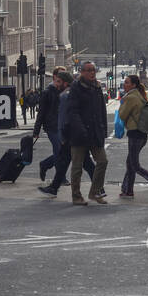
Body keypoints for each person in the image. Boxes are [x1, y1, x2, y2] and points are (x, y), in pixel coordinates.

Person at [62, 61, 109, 205]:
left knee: (102, 161)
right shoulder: (76, 88)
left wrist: (104, 129)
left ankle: (94, 192)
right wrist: (81, 129)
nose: (92, 73)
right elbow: (72, 112)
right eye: (88, 70)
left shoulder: (97, 87)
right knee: (77, 166)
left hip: (95, 132)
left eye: (93, 70)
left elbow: (102, 109)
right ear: (82, 72)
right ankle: (76, 196)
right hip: (79, 134)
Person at [117, 74, 148, 199]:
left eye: (127, 82)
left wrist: (121, 104)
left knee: (134, 164)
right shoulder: (139, 95)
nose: (124, 85)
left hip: (135, 133)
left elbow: (122, 115)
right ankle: (127, 190)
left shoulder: (130, 97)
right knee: (130, 163)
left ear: (133, 85)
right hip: (141, 133)